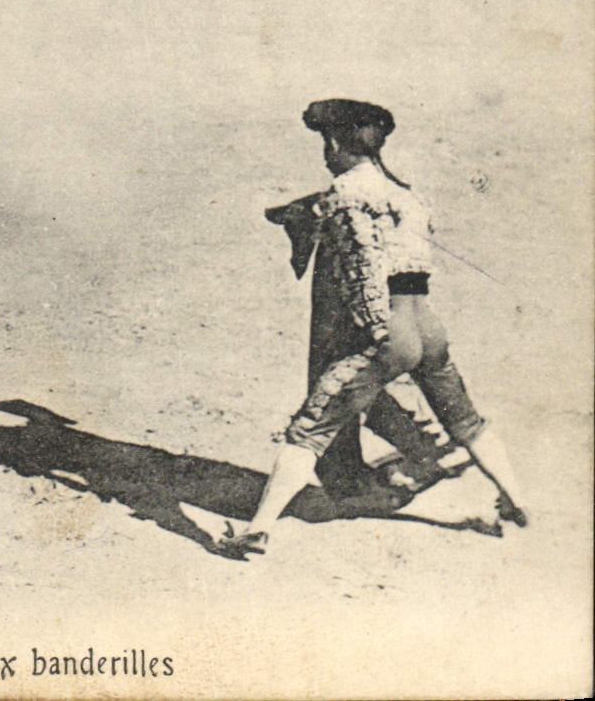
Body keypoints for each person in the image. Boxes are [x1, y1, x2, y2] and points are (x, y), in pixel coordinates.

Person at [218, 100, 529, 558]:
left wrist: (376, 338)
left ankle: (258, 528)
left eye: (327, 143)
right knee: (464, 419)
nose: (325, 152)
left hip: (392, 330)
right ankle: (516, 498)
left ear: (336, 142)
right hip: (428, 323)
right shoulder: (406, 194)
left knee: (310, 429)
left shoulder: (345, 196)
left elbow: (363, 273)